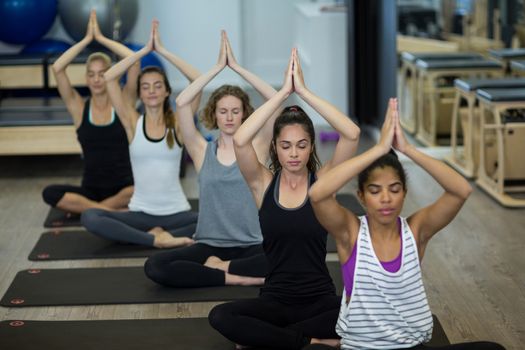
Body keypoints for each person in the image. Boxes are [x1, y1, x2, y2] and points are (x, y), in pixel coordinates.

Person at [305, 99, 505, 350]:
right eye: (375, 191)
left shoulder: (415, 231)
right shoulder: (351, 233)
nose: (386, 199)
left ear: (404, 192)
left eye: (394, 189)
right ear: (361, 197)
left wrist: (408, 149)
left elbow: (460, 190)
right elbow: (317, 194)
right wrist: (378, 149)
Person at [208, 48, 361, 349]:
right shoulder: (262, 183)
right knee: (220, 316)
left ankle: (272, 339)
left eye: (301, 145)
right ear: (275, 147)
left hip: (320, 300)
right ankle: (312, 341)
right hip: (275, 300)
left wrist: (303, 92)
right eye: (286, 145)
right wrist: (282, 95)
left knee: (361, 315)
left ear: (311, 147)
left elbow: (352, 134)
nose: (293, 154)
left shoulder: (322, 184)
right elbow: (241, 139)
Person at [144, 31, 277, 286]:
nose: (229, 117)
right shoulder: (201, 150)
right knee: (155, 266)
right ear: (214, 115)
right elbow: (182, 103)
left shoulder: (257, 148)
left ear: (244, 114)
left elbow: (273, 98)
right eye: (223, 111)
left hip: (252, 245)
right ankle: (235, 278)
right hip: (208, 244)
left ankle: (221, 272)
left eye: (235, 111)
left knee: (284, 261)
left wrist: (237, 67)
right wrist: (217, 68)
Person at [80, 21, 199, 248]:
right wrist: (143, 52)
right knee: (90, 216)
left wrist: (162, 51)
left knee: (212, 220)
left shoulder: (178, 124)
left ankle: (157, 234)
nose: (152, 91)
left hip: (177, 213)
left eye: (157, 86)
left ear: (166, 91)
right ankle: (155, 239)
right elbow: (109, 78)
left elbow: (197, 80)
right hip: (140, 213)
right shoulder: (133, 122)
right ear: (140, 94)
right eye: (145, 87)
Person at [42, 10, 135, 215]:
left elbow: (133, 59)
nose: (96, 79)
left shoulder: (123, 102)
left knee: (138, 190)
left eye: (102, 74)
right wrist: (86, 40)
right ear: (86, 78)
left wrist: (101, 39)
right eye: (91, 74)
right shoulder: (78, 106)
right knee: (50, 193)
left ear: (111, 76)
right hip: (90, 190)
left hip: (124, 187)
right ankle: (108, 210)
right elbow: (58, 68)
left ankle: (91, 211)